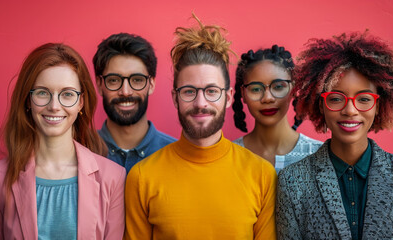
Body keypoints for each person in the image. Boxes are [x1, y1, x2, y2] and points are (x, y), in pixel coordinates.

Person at [124, 14, 277, 240]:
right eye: (189, 91)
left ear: (228, 97)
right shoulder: (142, 177)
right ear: (175, 98)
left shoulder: (262, 175)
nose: (200, 103)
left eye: (211, 91)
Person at [276, 31, 393, 239]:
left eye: (363, 99)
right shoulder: (292, 182)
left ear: (378, 105)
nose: (350, 110)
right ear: (321, 105)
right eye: (335, 98)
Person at [0, 43, 126, 239]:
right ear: (28, 100)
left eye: (67, 94)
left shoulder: (113, 177)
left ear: (81, 102)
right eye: (42, 93)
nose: (54, 106)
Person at [93, 33, 176, 173]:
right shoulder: (79, 151)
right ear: (100, 85)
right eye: (114, 80)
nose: (125, 91)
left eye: (137, 80)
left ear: (151, 84)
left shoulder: (175, 155)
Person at [232, 45, 322, 173]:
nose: (267, 98)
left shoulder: (318, 155)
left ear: (293, 89)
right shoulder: (229, 156)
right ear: (243, 94)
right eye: (256, 89)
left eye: (278, 87)